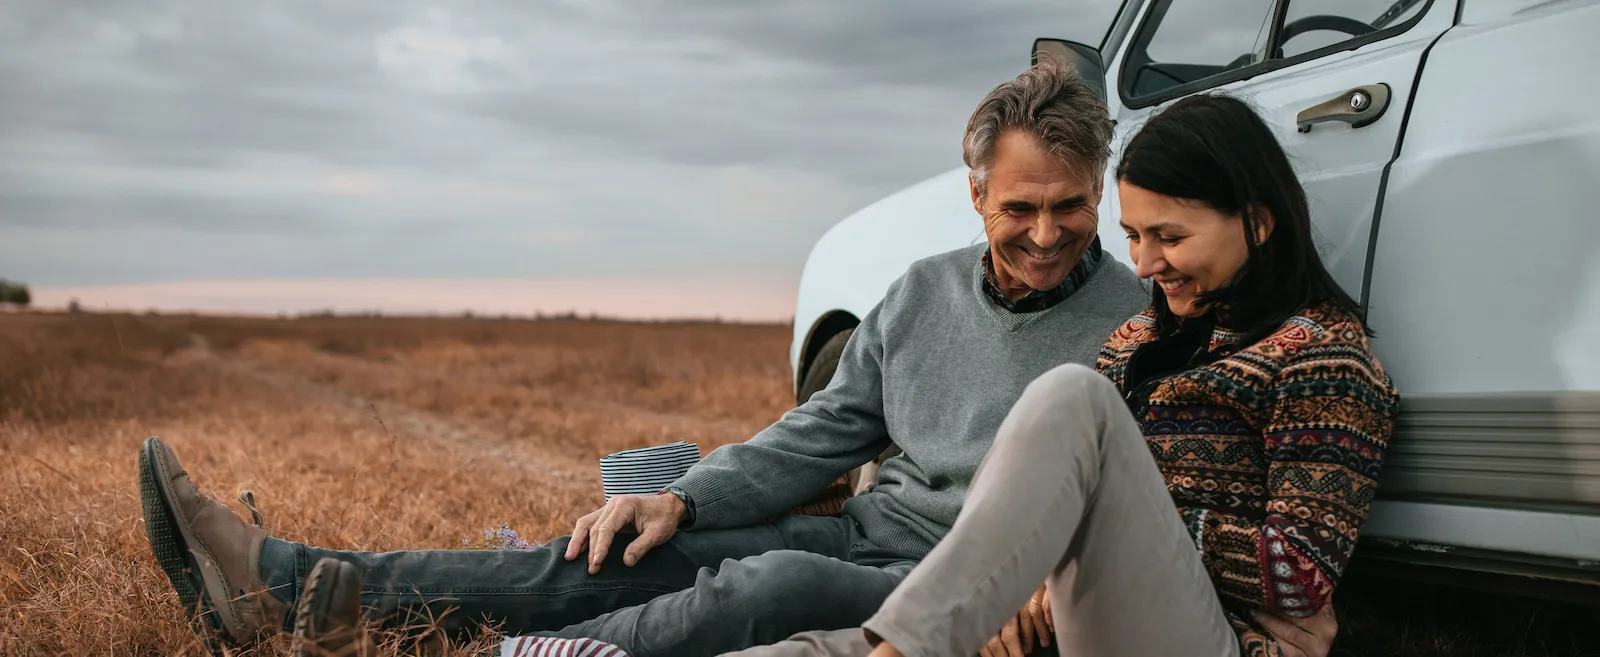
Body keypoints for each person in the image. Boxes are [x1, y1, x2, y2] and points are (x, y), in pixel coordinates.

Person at [137, 58, 1154, 657]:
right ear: (976, 196)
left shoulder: (1139, 325)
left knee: (761, 593)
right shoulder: (922, 291)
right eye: (1019, 207)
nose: (1045, 231)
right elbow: (826, 430)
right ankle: (290, 584)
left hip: (962, 587)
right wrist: (692, 499)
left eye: (1070, 206)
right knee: (631, 550)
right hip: (869, 534)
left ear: (1099, 188)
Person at [737, 94, 1399, 657]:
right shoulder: (1140, 336)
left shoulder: (1321, 358)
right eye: (1135, 235)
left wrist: (1105, 531)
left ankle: (918, 641)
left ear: (1256, 222)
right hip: (1079, 620)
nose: (1143, 264)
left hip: (1213, 637)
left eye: (1169, 237)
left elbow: (1300, 575)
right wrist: (1030, 584)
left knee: (1066, 394)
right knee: (818, 650)